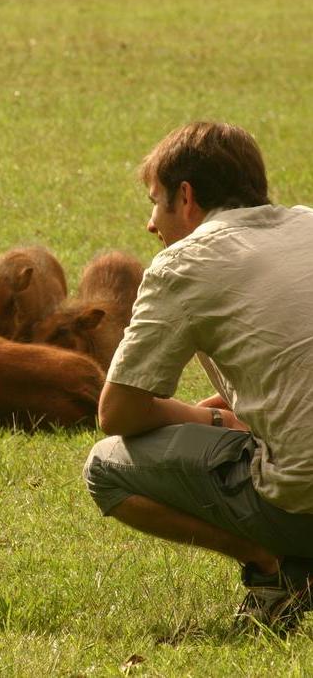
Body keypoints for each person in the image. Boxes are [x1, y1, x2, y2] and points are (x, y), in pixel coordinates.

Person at [84, 122, 313, 634]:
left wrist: (207, 417)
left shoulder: (185, 263)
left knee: (106, 468)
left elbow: (116, 413)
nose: (150, 223)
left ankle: (272, 566)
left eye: (155, 201)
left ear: (186, 197)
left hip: (302, 498)